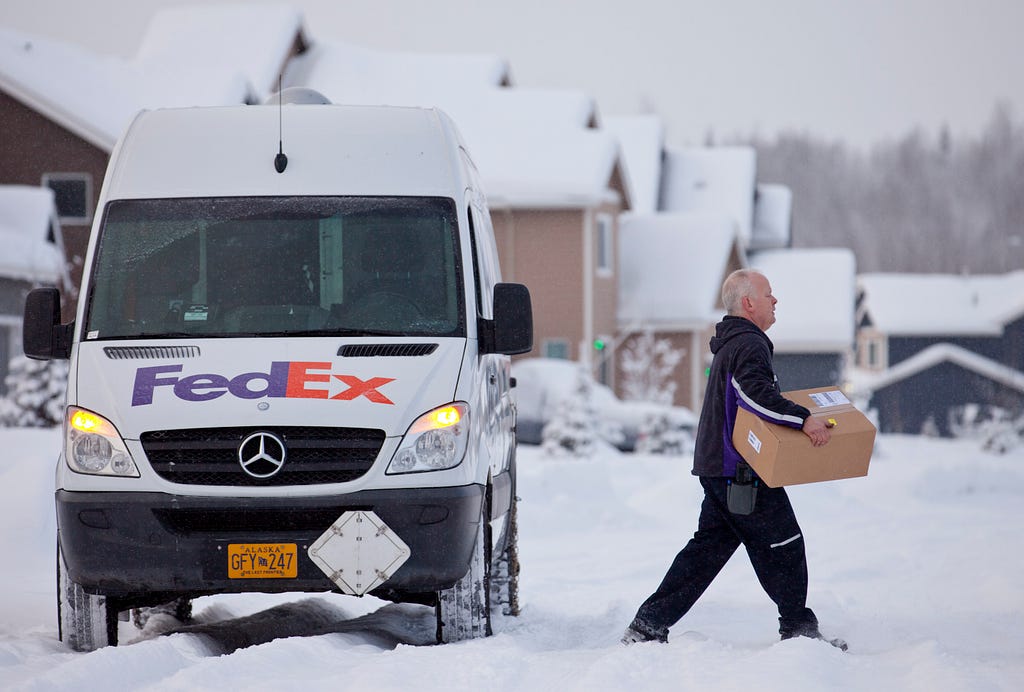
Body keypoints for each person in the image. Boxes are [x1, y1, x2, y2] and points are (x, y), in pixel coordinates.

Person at [622, 269, 846, 650]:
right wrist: (803, 419)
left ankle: (647, 626)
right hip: (740, 472)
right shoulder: (749, 345)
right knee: (785, 543)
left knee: (705, 552)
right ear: (748, 303)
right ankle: (798, 630)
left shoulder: (733, 343)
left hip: (719, 467)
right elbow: (755, 395)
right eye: (769, 294)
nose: (775, 301)